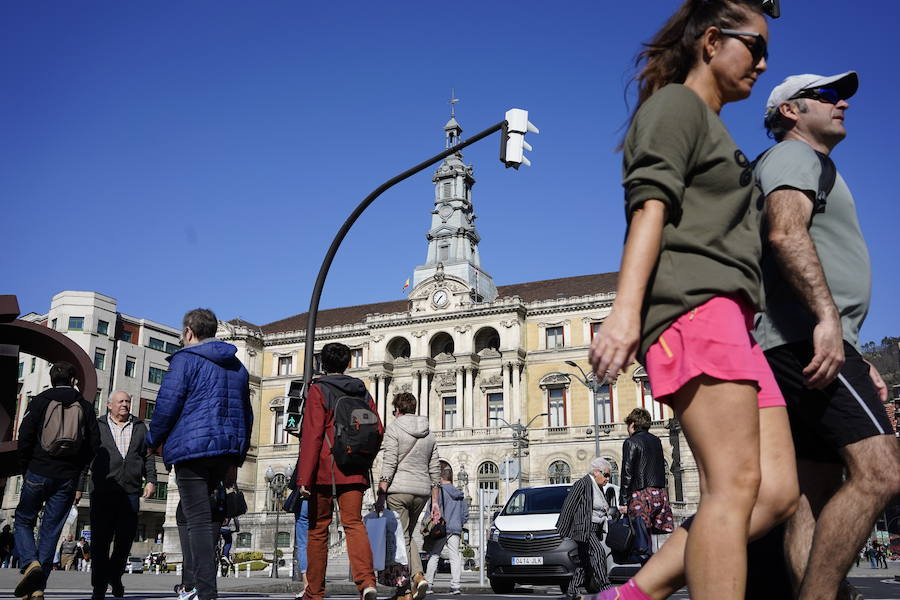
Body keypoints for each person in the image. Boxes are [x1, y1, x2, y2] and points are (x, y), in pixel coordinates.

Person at [587, 2, 799, 599]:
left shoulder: (713, 124)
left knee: (777, 491)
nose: (762, 63)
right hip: (696, 309)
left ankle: (632, 594)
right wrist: (626, 312)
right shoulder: (676, 106)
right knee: (731, 489)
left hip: (735, 320)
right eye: (754, 47)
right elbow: (649, 207)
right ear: (711, 41)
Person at [752, 70, 900, 600]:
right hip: (806, 337)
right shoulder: (796, 158)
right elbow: (785, 231)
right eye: (829, 96)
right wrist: (828, 321)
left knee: (812, 492)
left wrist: (852, 344)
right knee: (882, 470)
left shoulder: (811, 163)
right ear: (791, 111)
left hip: (800, 340)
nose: (843, 105)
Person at [147, 308, 253, 600]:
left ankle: (204, 590)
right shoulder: (238, 367)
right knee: (200, 516)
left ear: (189, 332)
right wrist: (237, 456)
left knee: (198, 519)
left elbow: (167, 404)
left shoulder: (184, 360)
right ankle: (195, 584)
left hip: (192, 450)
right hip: (224, 451)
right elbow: (247, 413)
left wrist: (153, 439)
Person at [297, 342, 384, 600]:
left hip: (324, 469)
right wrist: (363, 458)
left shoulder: (318, 390)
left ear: (322, 364)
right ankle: (367, 583)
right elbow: (377, 430)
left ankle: (314, 592)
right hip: (355, 468)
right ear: (348, 364)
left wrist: (304, 477)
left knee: (318, 529)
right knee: (354, 524)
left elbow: (312, 436)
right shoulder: (363, 392)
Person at [14, 361, 101, 600]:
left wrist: (26, 466)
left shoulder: (40, 400)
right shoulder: (84, 405)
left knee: (23, 520)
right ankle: (38, 587)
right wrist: (76, 470)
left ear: (52, 379)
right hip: (66, 478)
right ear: (74, 380)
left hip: (38, 471)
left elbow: (25, 436)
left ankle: (30, 563)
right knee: (50, 531)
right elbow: (94, 445)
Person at [88, 390, 158, 599]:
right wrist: (77, 486)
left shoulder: (139, 427)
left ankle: (115, 576)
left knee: (124, 540)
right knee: (100, 541)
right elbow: (86, 456)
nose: (125, 405)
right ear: (109, 405)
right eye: (121, 402)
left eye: (127, 401)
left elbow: (148, 456)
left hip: (130, 491)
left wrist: (152, 480)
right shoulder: (98, 426)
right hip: (102, 491)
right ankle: (99, 585)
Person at [375, 392, 441, 600]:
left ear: (398, 409)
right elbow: (435, 468)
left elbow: (390, 462)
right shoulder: (428, 432)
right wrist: (436, 502)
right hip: (421, 492)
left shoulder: (394, 428)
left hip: (398, 491)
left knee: (400, 539)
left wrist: (381, 491)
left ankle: (416, 578)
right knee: (408, 535)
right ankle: (407, 589)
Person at [558, 458, 615, 599]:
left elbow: (600, 508)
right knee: (598, 553)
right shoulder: (582, 484)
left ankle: (572, 590)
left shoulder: (598, 486)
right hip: (584, 529)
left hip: (594, 529)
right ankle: (606, 587)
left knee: (585, 562)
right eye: (606, 475)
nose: (608, 478)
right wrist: (562, 530)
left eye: (609, 475)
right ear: (596, 472)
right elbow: (568, 506)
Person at [618, 409, 673, 537]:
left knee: (640, 539)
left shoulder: (631, 442)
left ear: (632, 424)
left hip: (641, 495)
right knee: (653, 538)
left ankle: (645, 556)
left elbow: (627, 472)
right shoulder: (656, 441)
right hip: (659, 494)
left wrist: (623, 501)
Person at [423, 465, 468, 595]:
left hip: (440, 528)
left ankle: (429, 585)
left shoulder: (439, 492)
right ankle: (456, 586)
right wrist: (458, 522)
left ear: (440, 478)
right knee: (455, 557)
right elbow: (465, 513)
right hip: (455, 529)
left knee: (435, 555)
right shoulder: (459, 494)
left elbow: (430, 510)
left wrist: (427, 525)